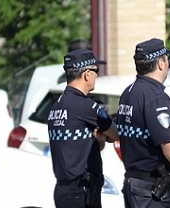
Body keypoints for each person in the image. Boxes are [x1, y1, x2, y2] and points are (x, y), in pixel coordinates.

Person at [116, 38, 170, 208]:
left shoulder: (129, 93)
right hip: (153, 190)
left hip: (136, 185)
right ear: (161, 63)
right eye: (166, 58)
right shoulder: (155, 97)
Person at [47, 48, 119, 208]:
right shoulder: (85, 106)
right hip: (81, 193)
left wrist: (97, 144)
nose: (97, 75)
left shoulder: (57, 106)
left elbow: (75, 148)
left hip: (63, 191)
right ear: (87, 74)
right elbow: (115, 134)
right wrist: (103, 137)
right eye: (96, 70)